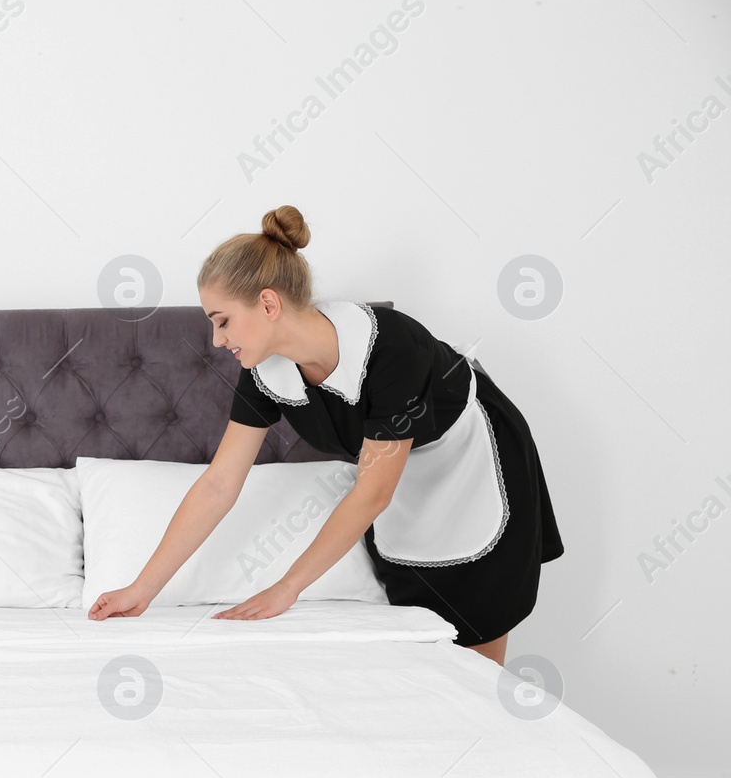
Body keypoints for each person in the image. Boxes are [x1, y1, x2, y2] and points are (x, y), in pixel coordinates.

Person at [86, 205, 563, 666]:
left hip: (475, 464)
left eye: (222, 321)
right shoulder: (264, 370)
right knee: (421, 648)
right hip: (404, 478)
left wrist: (285, 589)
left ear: (268, 303)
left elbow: (373, 492)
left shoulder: (391, 349)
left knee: (477, 657)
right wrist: (142, 589)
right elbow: (219, 484)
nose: (217, 341)